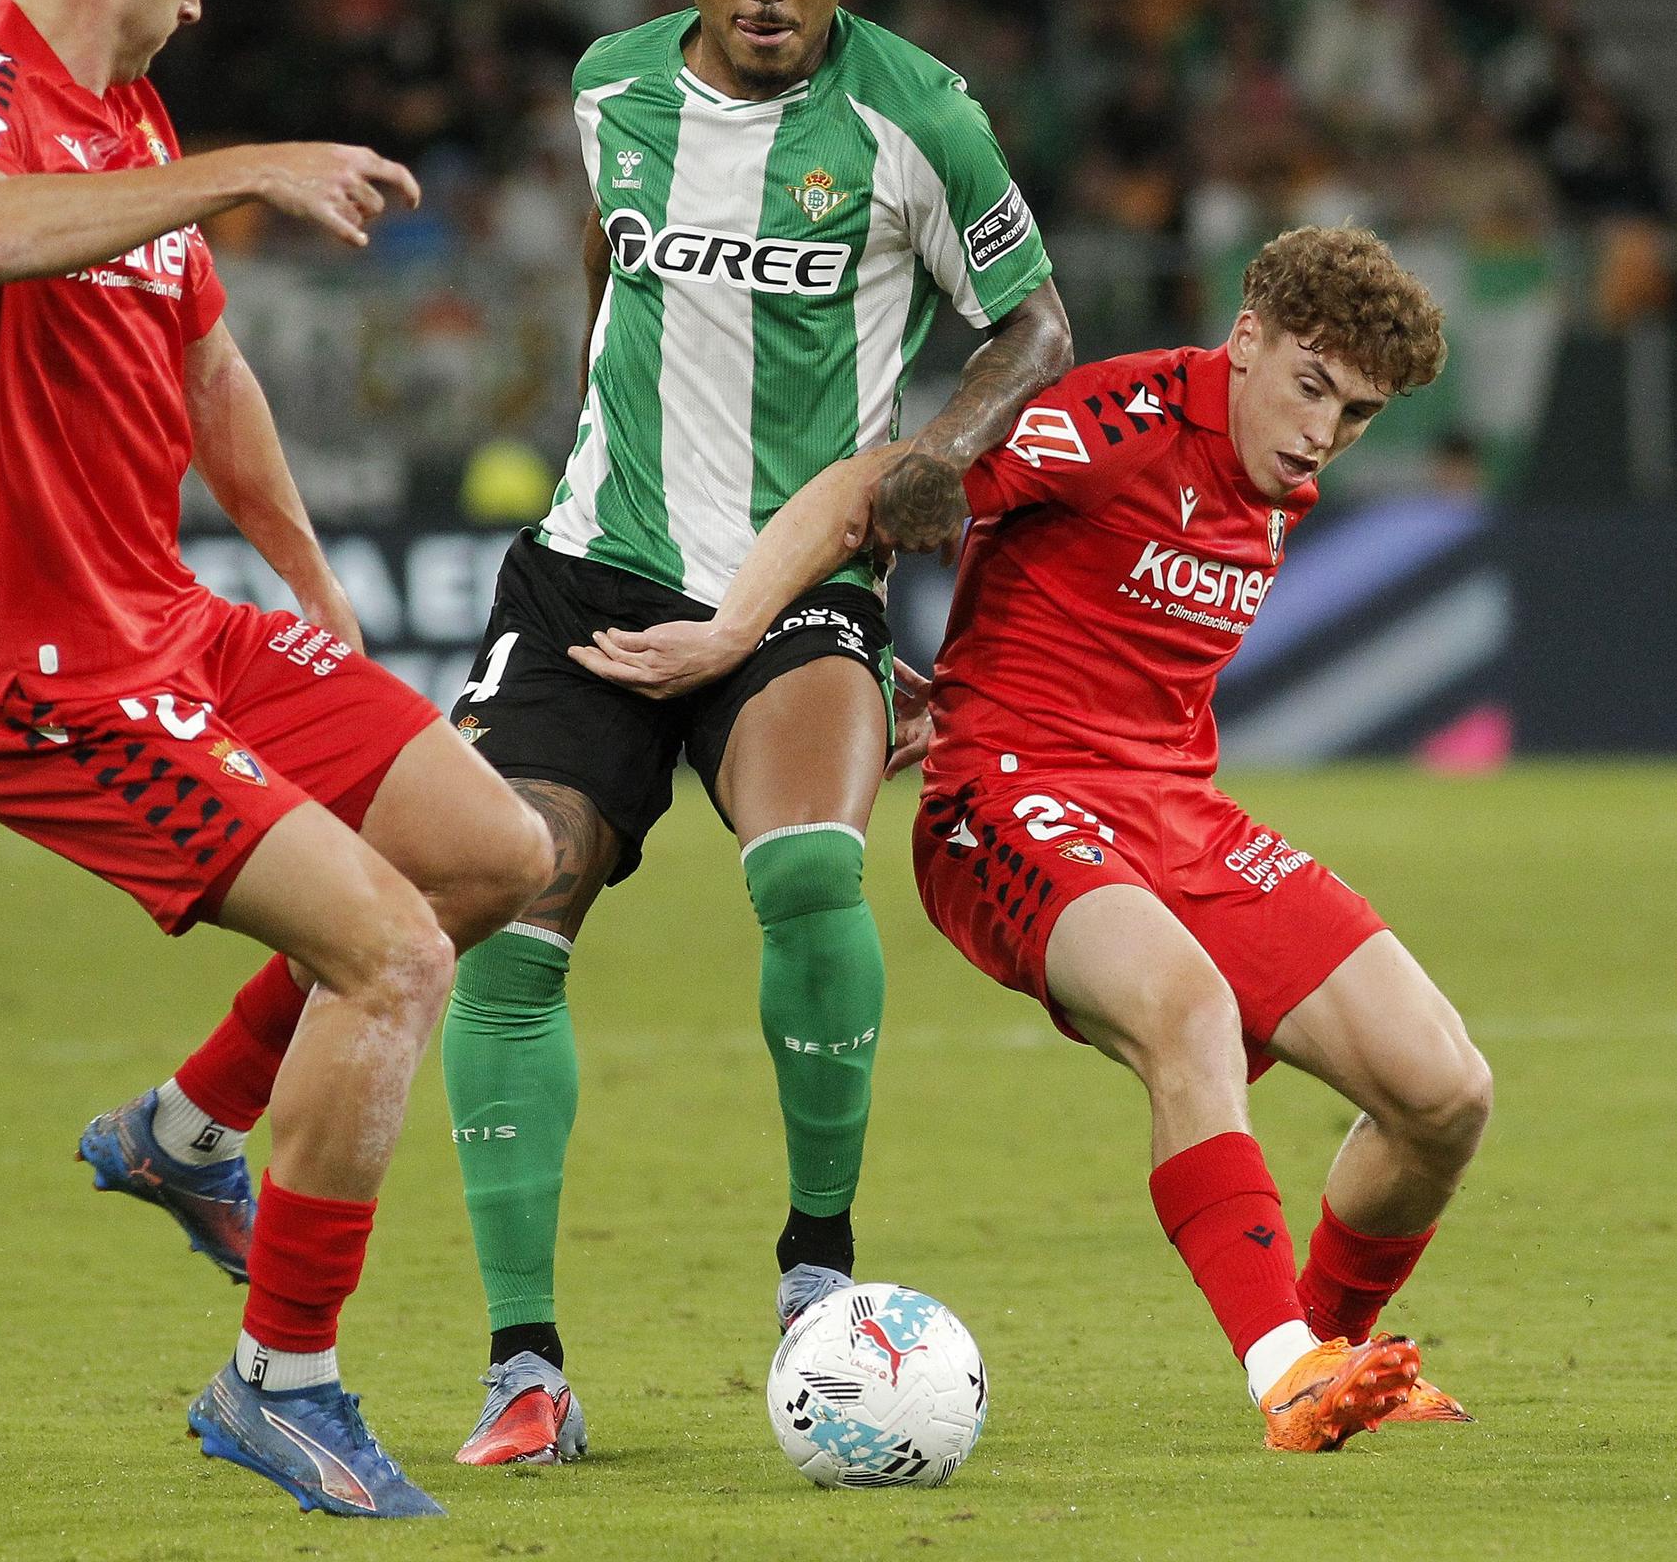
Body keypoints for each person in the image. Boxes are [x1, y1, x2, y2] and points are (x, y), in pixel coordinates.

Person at [0, 0, 551, 1520]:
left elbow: (212, 383)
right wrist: (249, 166)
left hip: (173, 622)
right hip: (38, 673)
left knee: (492, 853)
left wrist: (310, 587)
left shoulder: (134, 117)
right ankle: (282, 1379)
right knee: (390, 957)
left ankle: (187, 1135)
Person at [576, 225, 1490, 1453]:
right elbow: (878, 489)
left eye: (1359, 411)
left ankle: (1322, 1344)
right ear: (1248, 337)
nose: (1324, 430)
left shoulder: (1277, 466)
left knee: (1444, 1092)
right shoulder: (1119, 422)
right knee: (1189, 1007)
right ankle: (1286, 1371)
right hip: (1004, 800)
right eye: (1311, 385)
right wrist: (755, 637)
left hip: (1174, 807)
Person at [418, 0, 1074, 1466]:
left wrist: (935, 458)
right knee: (508, 901)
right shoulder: (610, 87)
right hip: (587, 580)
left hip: (798, 593)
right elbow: (606, 262)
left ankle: (816, 1272)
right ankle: (522, 1371)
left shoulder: (921, 117)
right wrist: (599, 418)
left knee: (805, 872)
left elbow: (1034, 320)